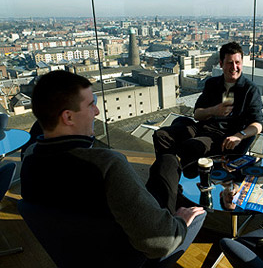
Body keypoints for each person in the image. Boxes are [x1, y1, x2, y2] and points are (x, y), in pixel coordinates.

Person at [20, 70, 205, 266]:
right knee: (174, 174)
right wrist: (181, 222)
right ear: (68, 117)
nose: (97, 112)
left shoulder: (30, 158)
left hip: (79, 253)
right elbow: (161, 242)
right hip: (130, 257)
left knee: (164, 164)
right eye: (91, 105)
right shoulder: (106, 165)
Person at [150, 41, 263, 182]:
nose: (234, 67)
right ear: (221, 64)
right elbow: (197, 114)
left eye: (237, 62)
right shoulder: (212, 83)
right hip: (201, 128)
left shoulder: (249, 90)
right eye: (229, 63)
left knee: (191, 147)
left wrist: (239, 136)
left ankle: (178, 178)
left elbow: (258, 125)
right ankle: (166, 177)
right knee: (161, 135)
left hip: (222, 138)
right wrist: (214, 110)